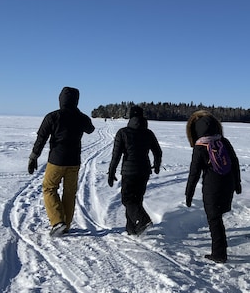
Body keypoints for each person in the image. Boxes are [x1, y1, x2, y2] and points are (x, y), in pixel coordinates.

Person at [28, 86, 95, 236]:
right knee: (69, 193)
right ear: (76, 101)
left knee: (49, 188)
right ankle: (66, 225)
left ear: (60, 99)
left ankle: (58, 222)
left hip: (56, 161)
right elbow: (90, 128)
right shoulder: (80, 117)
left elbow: (41, 138)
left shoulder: (53, 116)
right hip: (74, 162)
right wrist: (77, 114)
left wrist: (33, 156)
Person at [185, 110, 241, 263]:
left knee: (214, 220)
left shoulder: (200, 146)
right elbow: (235, 163)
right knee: (218, 217)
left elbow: (194, 173)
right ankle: (220, 250)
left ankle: (219, 253)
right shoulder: (224, 141)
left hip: (212, 187)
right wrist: (237, 184)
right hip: (227, 183)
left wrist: (188, 194)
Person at [108, 106, 162, 235]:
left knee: (127, 200)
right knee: (136, 200)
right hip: (144, 171)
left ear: (130, 116)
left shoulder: (123, 132)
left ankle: (144, 220)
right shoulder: (148, 133)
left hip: (129, 172)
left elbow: (116, 155)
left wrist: (111, 172)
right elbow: (158, 152)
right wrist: (157, 165)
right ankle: (132, 229)